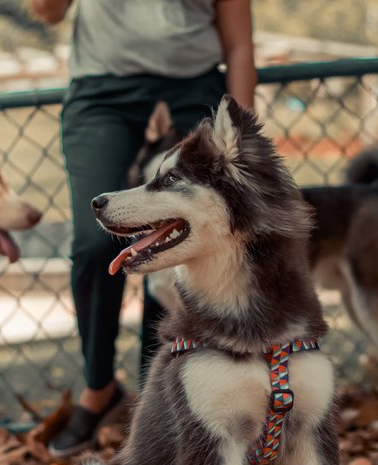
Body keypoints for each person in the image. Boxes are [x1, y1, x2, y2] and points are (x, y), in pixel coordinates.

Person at [32, 0, 256, 457]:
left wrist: (240, 138)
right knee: (95, 244)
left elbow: (239, 43)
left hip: (194, 88)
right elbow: (48, 11)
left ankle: (159, 393)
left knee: (183, 243)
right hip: (103, 93)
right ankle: (99, 390)